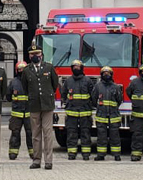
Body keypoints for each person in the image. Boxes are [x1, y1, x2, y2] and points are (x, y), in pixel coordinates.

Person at [21, 40, 58, 170]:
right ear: (29, 56)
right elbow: (25, 87)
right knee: (35, 134)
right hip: (34, 105)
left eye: (37, 53)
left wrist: (47, 95)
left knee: (48, 133)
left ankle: (48, 161)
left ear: (41, 55)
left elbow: (55, 84)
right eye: (32, 54)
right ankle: (36, 160)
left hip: (47, 105)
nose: (35, 56)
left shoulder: (49, 67)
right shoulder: (26, 71)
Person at [60, 59, 94, 160]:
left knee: (85, 133)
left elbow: (93, 95)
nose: (76, 68)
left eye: (78, 67)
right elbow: (63, 94)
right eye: (74, 67)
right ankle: (71, 154)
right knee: (71, 133)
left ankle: (86, 154)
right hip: (72, 112)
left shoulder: (87, 81)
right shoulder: (68, 81)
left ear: (82, 68)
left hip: (85, 112)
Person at [91, 65, 122, 161]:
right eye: (104, 73)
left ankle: (116, 155)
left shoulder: (116, 87)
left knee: (115, 136)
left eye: (108, 73)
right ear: (101, 75)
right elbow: (93, 99)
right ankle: (101, 155)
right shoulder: (97, 86)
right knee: (101, 136)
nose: (106, 74)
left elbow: (119, 100)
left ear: (111, 74)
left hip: (114, 116)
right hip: (101, 116)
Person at [7, 61, 33, 160]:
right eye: (19, 69)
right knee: (15, 133)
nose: (21, 71)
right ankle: (13, 152)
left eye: (23, 69)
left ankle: (33, 153)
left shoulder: (31, 81)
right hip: (16, 114)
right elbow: (8, 96)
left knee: (31, 134)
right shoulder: (13, 82)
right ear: (16, 70)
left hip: (29, 113)